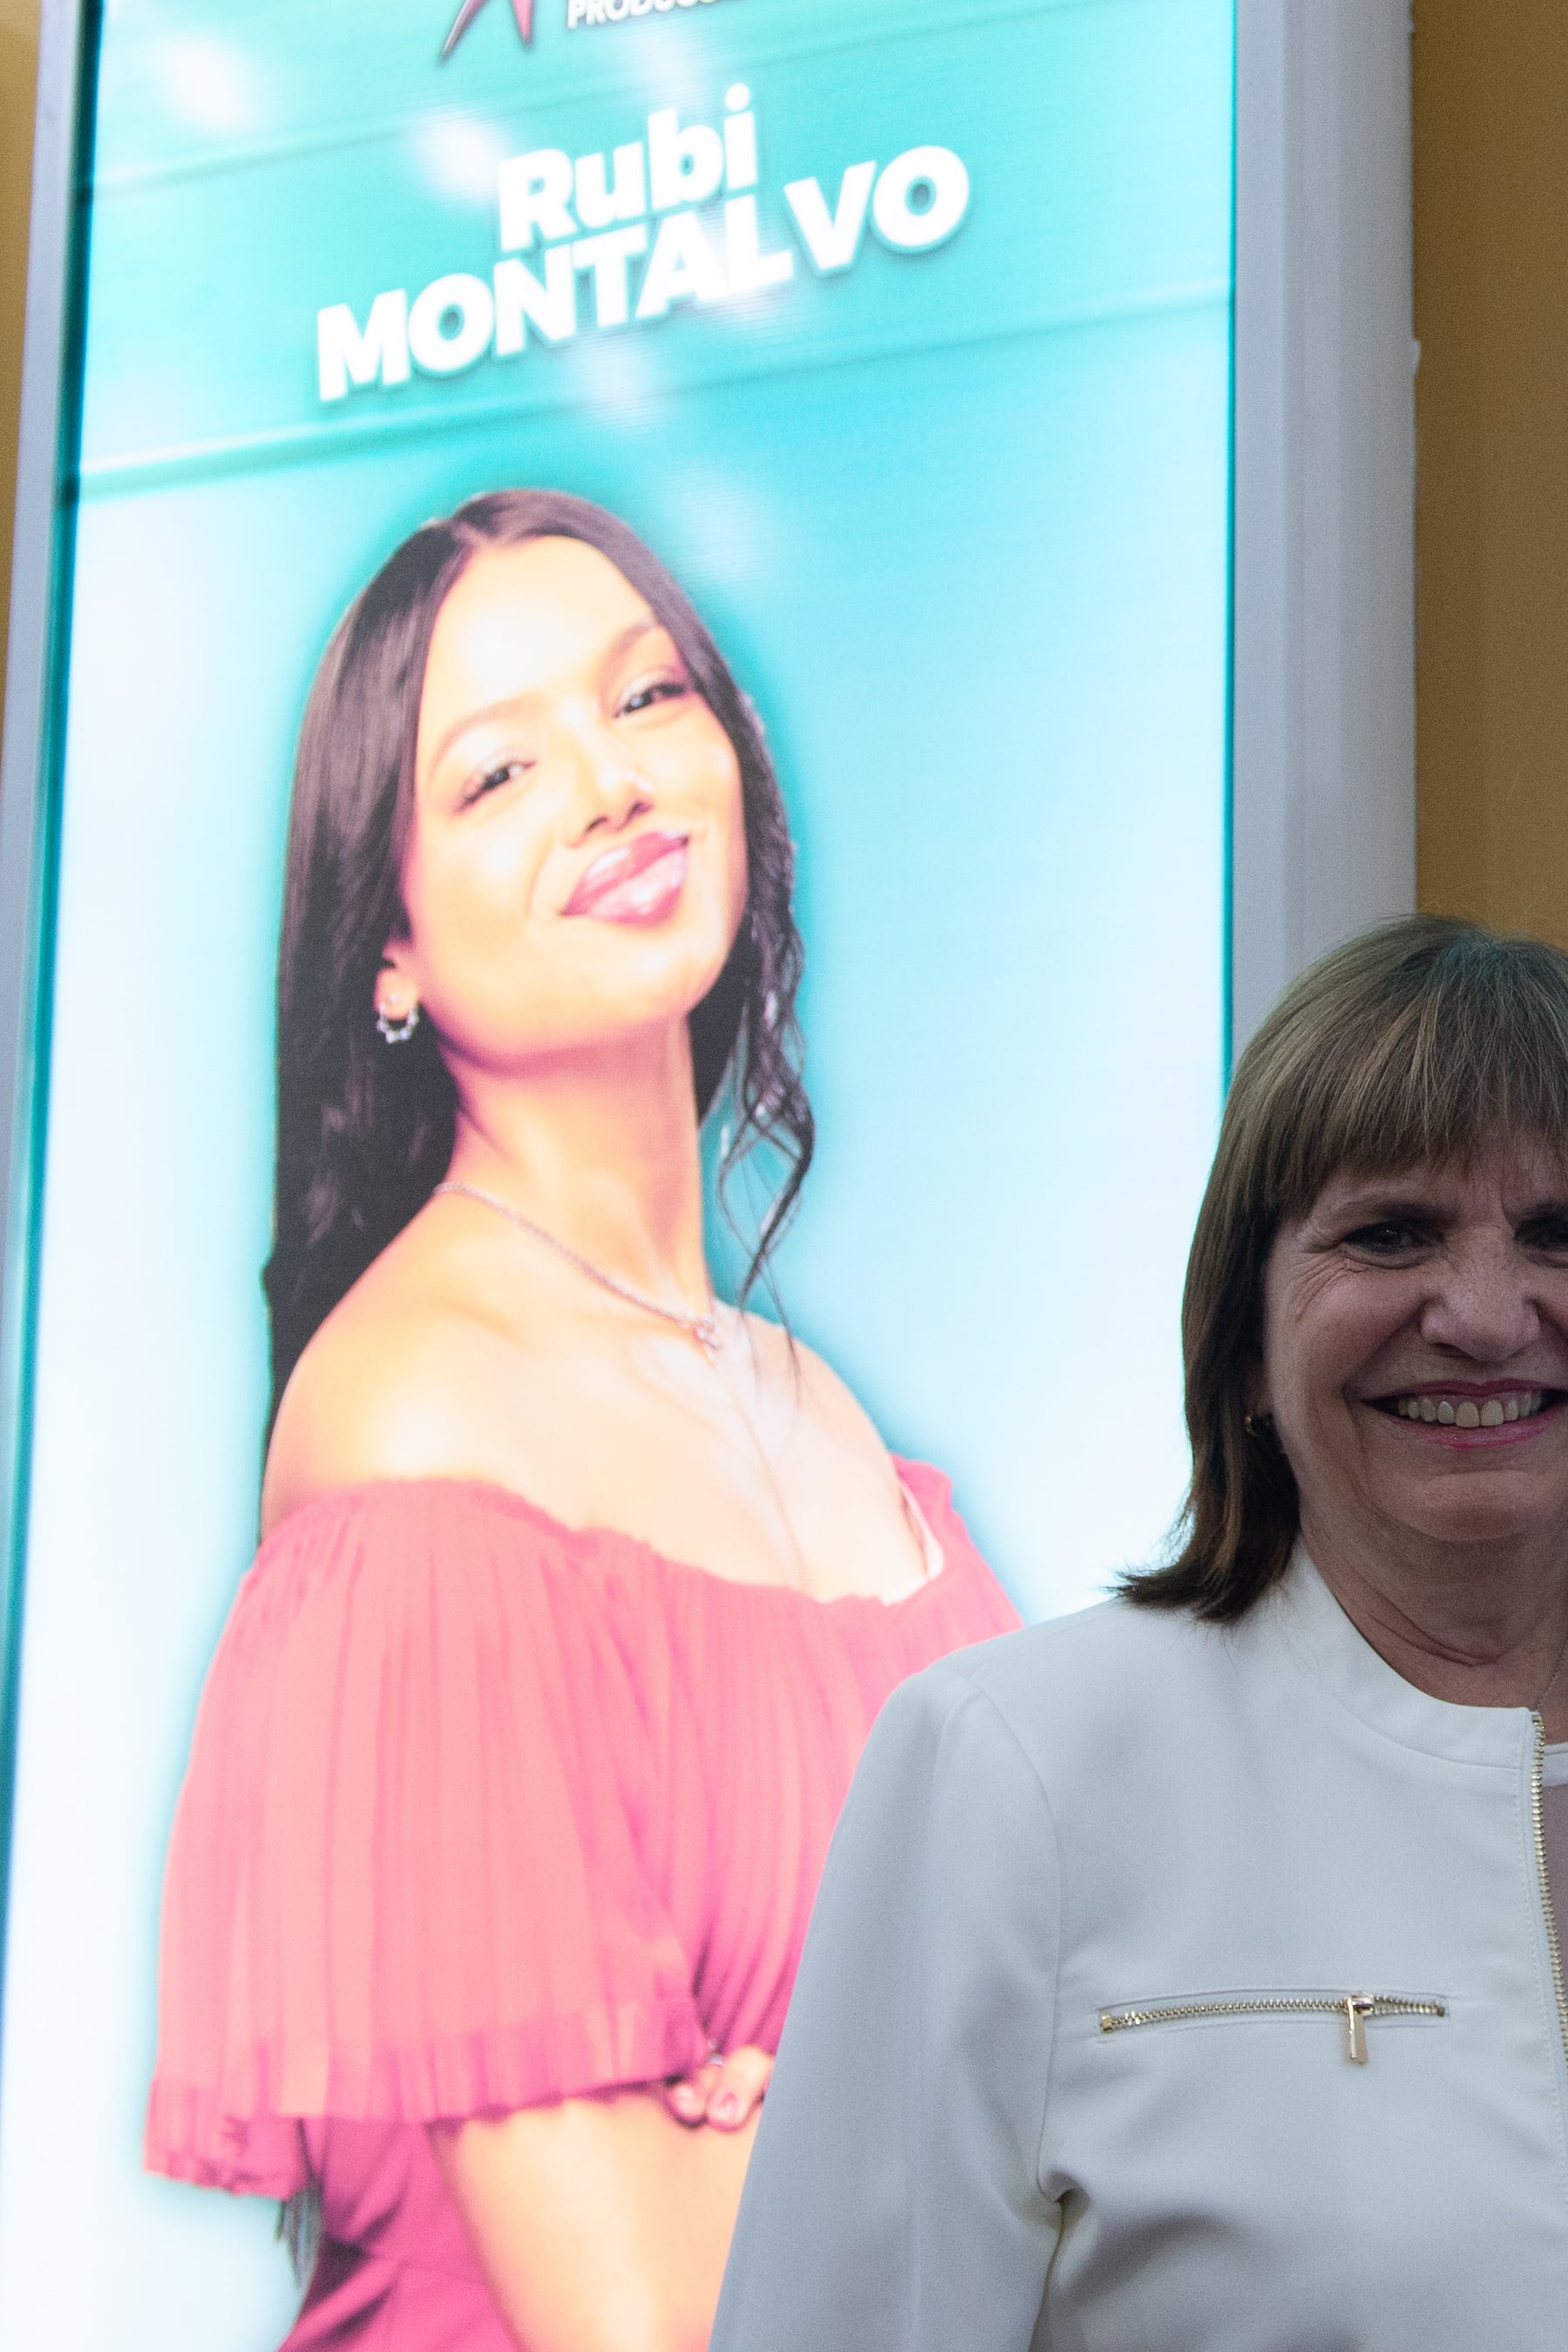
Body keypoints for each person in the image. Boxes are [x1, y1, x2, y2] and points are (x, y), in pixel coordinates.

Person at [711, 914, 1568, 2351]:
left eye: (1565, 1234)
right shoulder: (1009, 1768)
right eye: (1388, 1231)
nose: (1481, 1313)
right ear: (1242, 1341)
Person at [146, 489, 1022, 2351]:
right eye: (493, 775)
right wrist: (974, 2104)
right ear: (384, 946)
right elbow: (655, 2310)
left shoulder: (826, 1415)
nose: (610, 787)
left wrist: (830, 2110)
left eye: (645, 703)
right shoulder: (415, 1427)